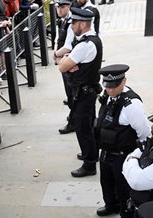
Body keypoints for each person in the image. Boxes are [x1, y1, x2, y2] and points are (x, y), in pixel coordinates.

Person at [95, 64, 150, 218]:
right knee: (106, 181)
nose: (110, 90)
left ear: (124, 81)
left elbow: (144, 131)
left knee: (123, 187)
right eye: (107, 85)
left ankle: (127, 216)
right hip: (106, 150)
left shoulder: (131, 104)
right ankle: (111, 204)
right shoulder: (108, 95)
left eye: (114, 86)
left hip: (122, 153)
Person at [58, 7, 102, 178]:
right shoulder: (93, 39)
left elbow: (61, 66)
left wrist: (65, 60)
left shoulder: (84, 45)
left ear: (82, 24)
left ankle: (89, 163)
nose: (71, 26)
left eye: (74, 23)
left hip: (83, 93)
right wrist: (69, 61)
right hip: (87, 91)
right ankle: (91, 153)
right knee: (89, 124)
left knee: (83, 128)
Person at [52, 0, 73, 113]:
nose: (59, 10)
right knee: (67, 86)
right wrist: (56, 55)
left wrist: (56, 54)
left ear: (69, 7)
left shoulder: (71, 23)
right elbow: (57, 39)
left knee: (71, 89)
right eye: (58, 7)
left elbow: (68, 46)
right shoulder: (60, 21)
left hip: (68, 59)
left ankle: (73, 118)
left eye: (62, 7)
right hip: (61, 58)